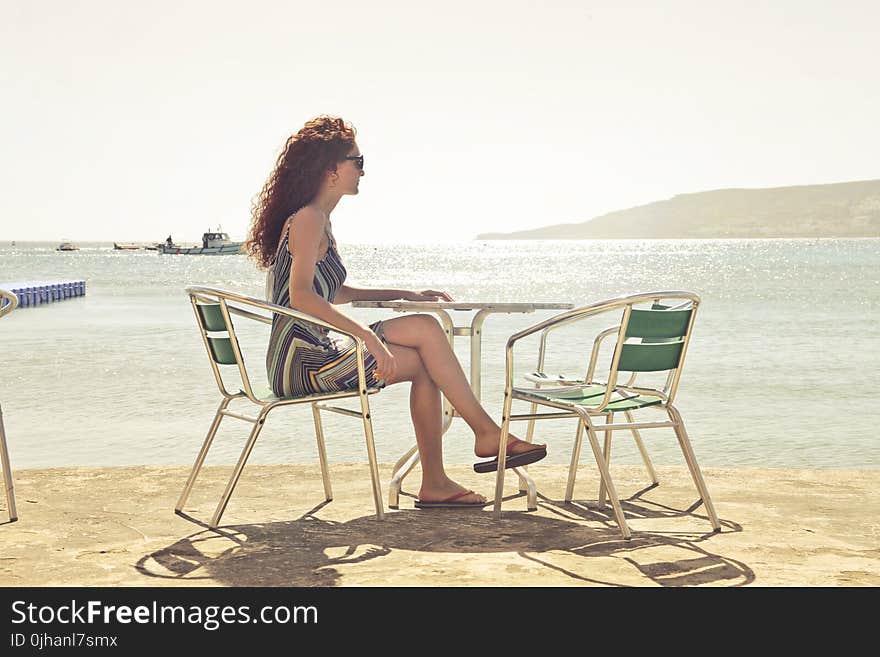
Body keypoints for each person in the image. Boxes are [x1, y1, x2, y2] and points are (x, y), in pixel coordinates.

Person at [245, 115, 546, 508]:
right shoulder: (307, 219)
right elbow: (301, 296)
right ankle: (483, 437)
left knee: (425, 351)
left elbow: (334, 292)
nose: (363, 171)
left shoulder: (320, 220)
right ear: (331, 169)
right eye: (358, 161)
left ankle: (442, 475)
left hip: (310, 356)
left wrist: (408, 292)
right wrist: (367, 337)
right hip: (302, 364)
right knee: (425, 331)